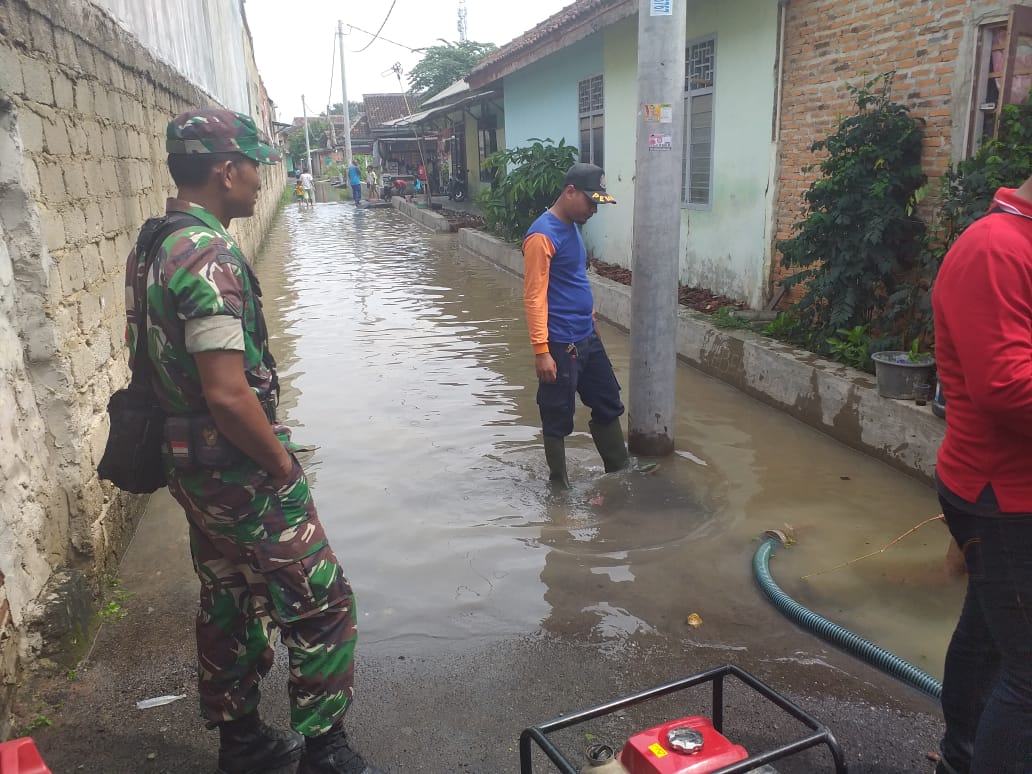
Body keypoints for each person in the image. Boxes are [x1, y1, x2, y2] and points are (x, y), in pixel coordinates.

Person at [127, 108, 382, 774]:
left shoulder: (157, 241)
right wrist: (282, 465)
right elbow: (229, 393)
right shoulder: (207, 253)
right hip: (236, 466)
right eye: (254, 166)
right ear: (225, 170)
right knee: (321, 600)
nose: (259, 180)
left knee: (229, 596)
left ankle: (240, 743)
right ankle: (325, 753)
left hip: (189, 467)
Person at [932, 177, 1032, 773]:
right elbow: (1006, 389)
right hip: (1003, 497)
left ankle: (960, 758)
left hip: (1006, 491)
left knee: (990, 636)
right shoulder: (996, 247)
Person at [522, 162, 629, 487]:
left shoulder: (571, 227)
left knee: (608, 400)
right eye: (590, 202)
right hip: (560, 343)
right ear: (570, 192)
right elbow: (534, 297)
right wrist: (542, 351)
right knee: (557, 415)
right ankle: (559, 485)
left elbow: (572, 280)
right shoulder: (542, 236)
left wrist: (591, 318)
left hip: (586, 336)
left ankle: (620, 472)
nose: (594, 210)